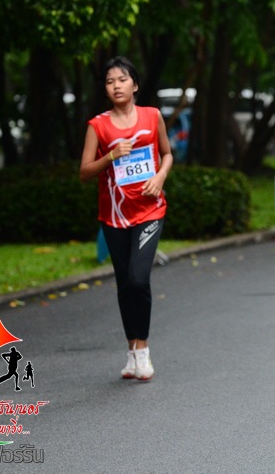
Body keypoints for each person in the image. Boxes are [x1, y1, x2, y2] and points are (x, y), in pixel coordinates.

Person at [80, 56, 173, 381]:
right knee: (124, 284)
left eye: (122, 79)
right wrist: (110, 155)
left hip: (149, 210)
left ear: (135, 85)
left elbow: (167, 153)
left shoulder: (152, 116)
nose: (116, 85)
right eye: (110, 81)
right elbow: (84, 172)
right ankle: (132, 352)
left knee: (138, 278)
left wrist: (160, 176)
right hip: (114, 216)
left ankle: (143, 350)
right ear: (105, 90)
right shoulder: (98, 126)